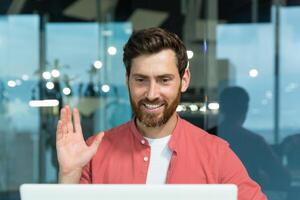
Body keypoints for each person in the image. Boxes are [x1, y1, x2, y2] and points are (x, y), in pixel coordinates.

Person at [56, 27, 267, 200]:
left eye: (164, 80)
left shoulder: (216, 154)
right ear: (127, 80)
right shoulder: (94, 152)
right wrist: (69, 175)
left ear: (184, 80)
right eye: (141, 80)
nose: (151, 93)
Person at [208, 86, 291, 191]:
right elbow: (283, 177)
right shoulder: (254, 142)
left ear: (221, 108)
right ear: (245, 109)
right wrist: (261, 179)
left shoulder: (206, 138)